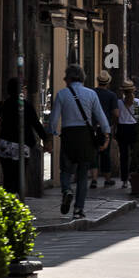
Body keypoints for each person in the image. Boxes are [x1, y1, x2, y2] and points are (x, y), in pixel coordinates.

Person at [49, 65, 110, 219]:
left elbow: (54, 119)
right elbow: (101, 117)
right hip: (86, 136)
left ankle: (67, 190)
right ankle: (78, 209)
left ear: (68, 78)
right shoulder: (91, 94)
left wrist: (53, 133)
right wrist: (106, 134)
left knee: (65, 169)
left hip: (69, 135)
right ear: (82, 78)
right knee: (83, 174)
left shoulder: (62, 94)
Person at [0, 78, 47, 195]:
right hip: (21, 147)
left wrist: (2, 120)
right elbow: (36, 124)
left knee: (7, 177)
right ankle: (16, 202)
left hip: (5, 146)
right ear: (20, 90)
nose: (25, 91)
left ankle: (9, 200)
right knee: (19, 177)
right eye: (24, 88)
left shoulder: (3, 104)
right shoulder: (26, 105)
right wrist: (46, 139)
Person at [90, 73, 119, 186]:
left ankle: (94, 179)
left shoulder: (91, 93)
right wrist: (114, 124)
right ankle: (107, 179)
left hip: (91, 126)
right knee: (105, 153)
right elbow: (116, 113)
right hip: (105, 127)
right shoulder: (111, 95)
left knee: (93, 153)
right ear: (108, 82)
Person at [116, 79, 139, 189]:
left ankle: (124, 180)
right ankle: (133, 174)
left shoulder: (119, 102)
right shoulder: (138, 102)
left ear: (123, 91)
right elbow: (138, 116)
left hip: (122, 129)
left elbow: (116, 117)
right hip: (134, 128)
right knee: (135, 154)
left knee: (123, 156)